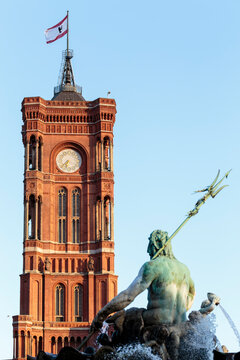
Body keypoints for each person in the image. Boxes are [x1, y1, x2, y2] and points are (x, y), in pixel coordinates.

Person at [91, 230, 195, 330]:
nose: (148, 250)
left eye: (150, 245)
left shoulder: (152, 266)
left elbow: (128, 297)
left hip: (157, 319)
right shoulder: (185, 269)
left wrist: (102, 314)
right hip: (181, 323)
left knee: (128, 315)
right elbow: (192, 294)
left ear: (155, 245)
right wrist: (178, 310)